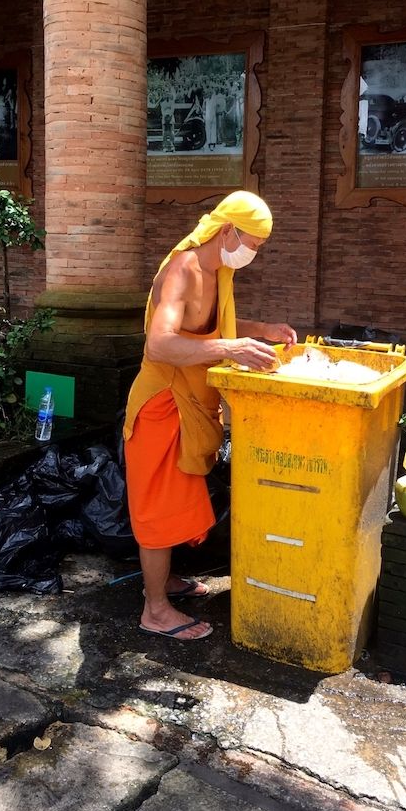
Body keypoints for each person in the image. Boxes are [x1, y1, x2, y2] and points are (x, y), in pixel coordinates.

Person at [124, 191, 297, 641]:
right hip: (161, 407)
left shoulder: (217, 269)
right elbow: (159, 344)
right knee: (158, 513)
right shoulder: (182, 270)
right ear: (227, 231)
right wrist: (231, 349)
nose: (253, 253)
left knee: (180, 500)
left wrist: (262, 332)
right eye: (252, 243)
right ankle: (155, 610)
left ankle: (166, 584)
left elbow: (212, 328)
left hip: (192, 409)